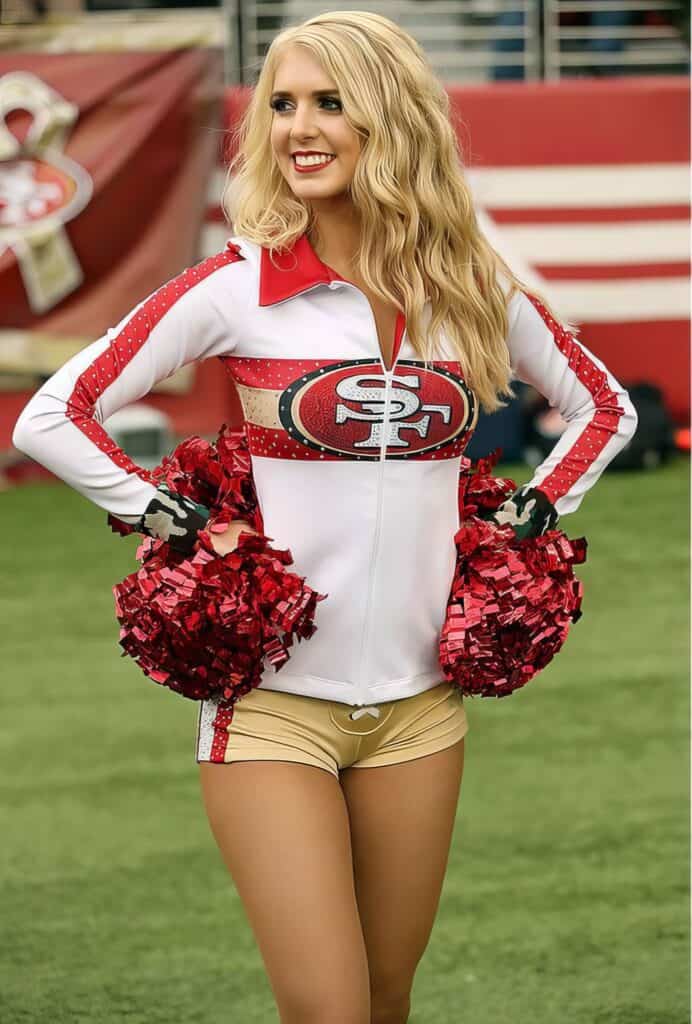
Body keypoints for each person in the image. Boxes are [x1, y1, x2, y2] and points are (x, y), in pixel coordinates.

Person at [12, 11, 638, 1024]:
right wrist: (167, 519)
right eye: (282, 104)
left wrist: (527, 515)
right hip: (270, 712)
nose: (298, 126)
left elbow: (602, 407)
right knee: (331, 1014)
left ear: (388, 119)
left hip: (421, 712)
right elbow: (54, 413)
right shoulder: (239, 288)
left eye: (329, 102)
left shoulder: (467, 286)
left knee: (385, 1004)